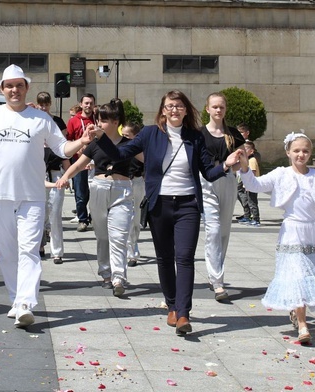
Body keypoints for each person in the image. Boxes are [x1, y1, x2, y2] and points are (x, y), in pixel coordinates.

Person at [0, 64, 93, 328]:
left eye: (19, 85)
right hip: (0, 194)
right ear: (2, 89)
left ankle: (25, 303)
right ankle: (16, 299)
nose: (14, 90)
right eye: (9, 86)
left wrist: (83, 141)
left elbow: (63, 149)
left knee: (29, 250)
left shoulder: (41, 119)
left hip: (33, 194)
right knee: (7, 251)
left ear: (27, 88)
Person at [90, 90, 239, 335]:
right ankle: (171, 304)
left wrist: (225, 164)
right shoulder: (150, 134)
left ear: (185, 110)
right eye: (170, 106)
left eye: (179, 106)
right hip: (159, 205)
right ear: (162, 110)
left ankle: (183, 313)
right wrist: (100, 138)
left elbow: (208, 173)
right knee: (165, 258)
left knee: (185, 257)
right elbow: (118, 154)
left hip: (188, 205)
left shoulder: (194, 137)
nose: (174, 110)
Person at [238, 131, 315, 343]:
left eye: (305, 151)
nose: (301, 154)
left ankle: (297, 312)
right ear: (288, 152)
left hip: (314, 232)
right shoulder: (281, 174)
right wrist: (245, 167)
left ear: (310, 153)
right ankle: (302, 324)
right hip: (292, 232)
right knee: (297, 275)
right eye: (297, 150)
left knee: (312, 275)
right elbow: (255, 185)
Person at [57, 100, 135, 296]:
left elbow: (149, 158)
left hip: (122, 189)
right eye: (98, 120)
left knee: (119, 235)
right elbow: (78, 165)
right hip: (99, 188)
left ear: (116, 121)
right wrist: (65, 177)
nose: (99, 124)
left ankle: (119, 277)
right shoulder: (95, 144)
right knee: (102, 235)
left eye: (104, 120)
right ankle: (105, 273)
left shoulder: (128, 144)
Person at [200, 92, 245, 302]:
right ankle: (218, 282)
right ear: (207, 109)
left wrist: (236, 161)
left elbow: (242, 163)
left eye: (221, 107)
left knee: (224, 231)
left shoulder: (233, 134)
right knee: (213, 230)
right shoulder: (199, 134)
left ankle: (214, 271)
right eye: (215, 107)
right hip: (206, 182)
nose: (218, 110)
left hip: (227, 181)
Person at [36, 92, 70, 264]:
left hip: (55, 172)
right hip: (36, 173)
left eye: (46, 104)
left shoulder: (57, 122)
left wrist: (67, 174)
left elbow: (64, 150)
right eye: (40, 104)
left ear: (50, 104)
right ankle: (39, 245)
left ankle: (57, 251)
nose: (43, 107)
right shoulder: (33, 120)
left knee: (55, 213)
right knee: (39, 212)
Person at [66, 93, 96, 232]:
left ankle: (93, 217)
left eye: (91, 103)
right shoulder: (74, 121)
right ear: (81, 104)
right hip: (79, 160)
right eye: (86, 103)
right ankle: (82, 219)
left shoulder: (97, 119)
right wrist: (78, 148)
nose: (88, 106)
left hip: (96, 161)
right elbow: (69, 140)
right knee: (80, 191)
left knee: (95, 191)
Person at [122, 122, 145, 266]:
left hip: (137, 183)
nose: (124, 138)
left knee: (136, 218)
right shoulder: (121, 147)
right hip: (123, 183)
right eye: (122, 135)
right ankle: (130, 251)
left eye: (127, 135)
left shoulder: (140, 150)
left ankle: (133, 246)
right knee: (127, 218)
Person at [241, 140, 261, 226]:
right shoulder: (249, 159)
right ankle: (251, 217)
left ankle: (256, 219)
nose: (243, 151)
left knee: (252, 202)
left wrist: (249, 184)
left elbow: (252, 172)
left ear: (252, 151)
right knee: (249, 201)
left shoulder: (252, 160)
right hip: (249, 185)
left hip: (252, 185)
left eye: (246, 149)